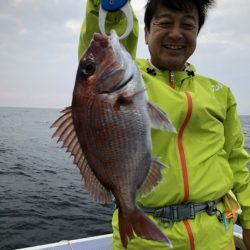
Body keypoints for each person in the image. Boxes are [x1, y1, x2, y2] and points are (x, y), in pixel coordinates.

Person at [78, 0, 250, 249]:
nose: (176, 33)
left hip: (216, 234)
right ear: (146, 33)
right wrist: (108, 7)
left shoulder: (220, 93)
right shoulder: (126, 77)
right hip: (145, 239)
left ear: (197, 34)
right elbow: (100, 46)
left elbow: (236, 162)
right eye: (165, 22)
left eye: (188, 25)